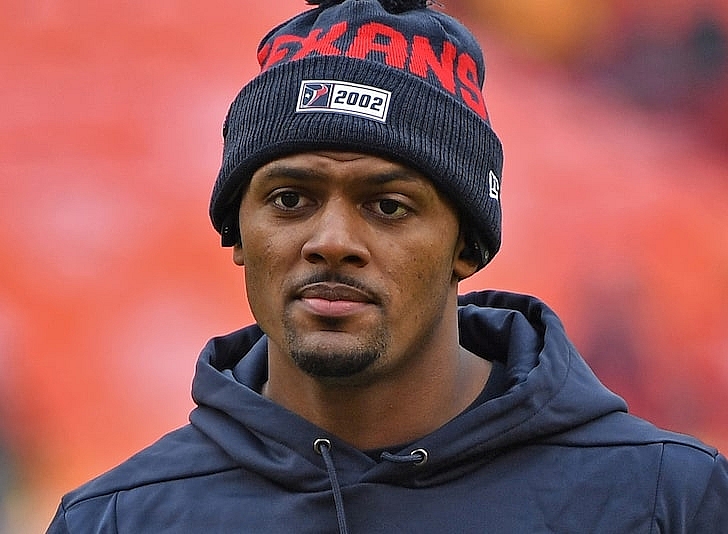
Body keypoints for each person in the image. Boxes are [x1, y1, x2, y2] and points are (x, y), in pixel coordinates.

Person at [47, 0, 728, 532]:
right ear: (237, 233)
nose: (332, 241)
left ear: (468, 245)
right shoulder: (118, 520)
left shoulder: (667, 499)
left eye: (389, 206)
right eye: (290, 199)